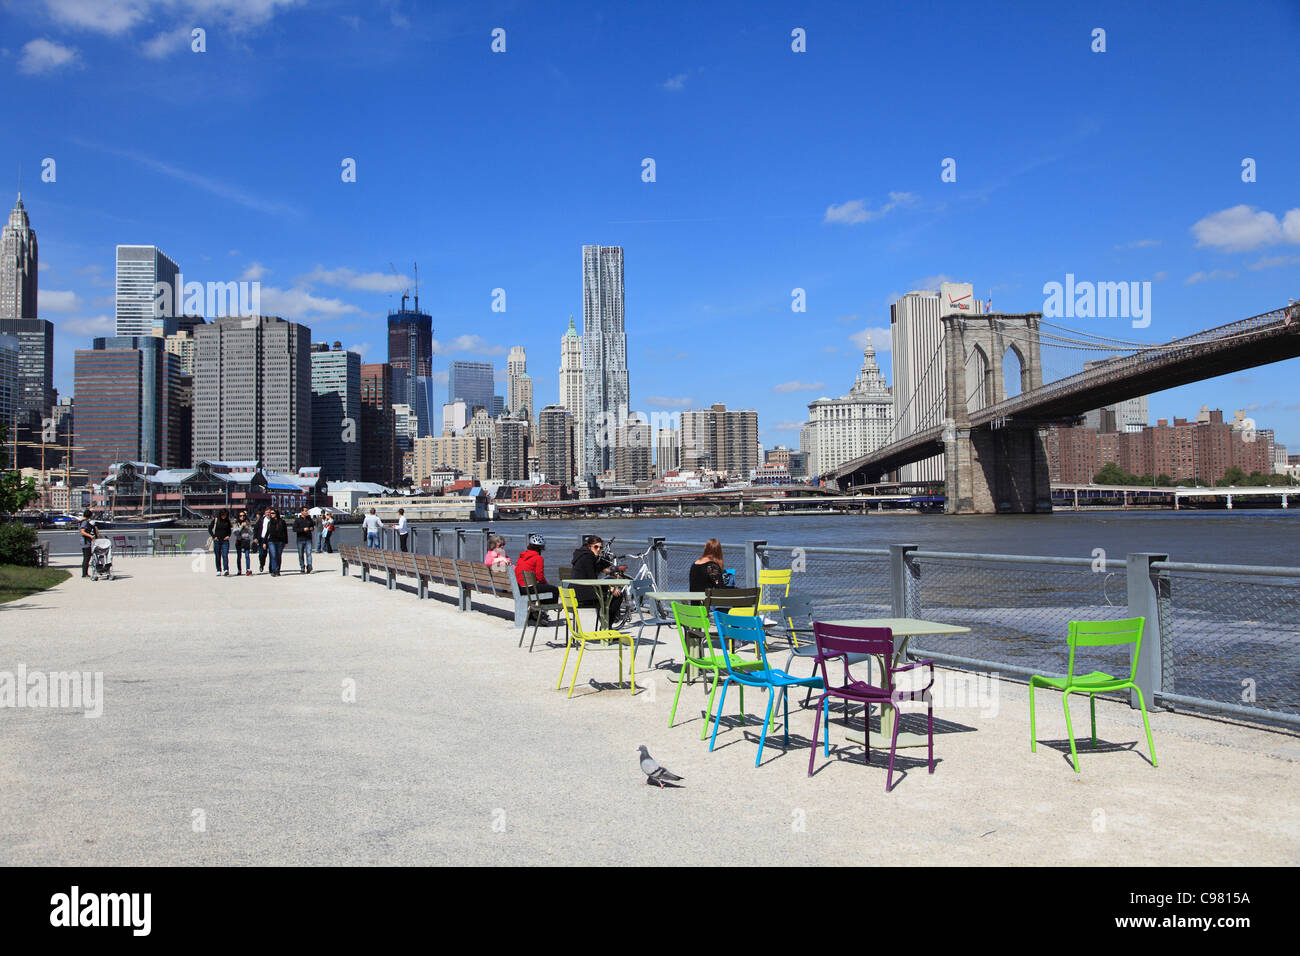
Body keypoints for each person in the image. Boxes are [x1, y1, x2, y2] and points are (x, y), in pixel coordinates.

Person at [570, 535, 625, 625]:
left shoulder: (582, 555)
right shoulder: (588, 557)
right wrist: (610, 588)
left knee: (608, 596)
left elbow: (592, 571)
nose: (598, 549)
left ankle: (605, 625)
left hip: (574, 593)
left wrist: (603, 562)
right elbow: (593, 580)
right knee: (617, 596)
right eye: (596, 547)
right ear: (589, 546)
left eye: (601, 547)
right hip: (581, 595)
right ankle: (607, 627)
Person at [514, 534, 556, 623]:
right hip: (527, 588)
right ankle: (543, 612)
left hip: (518, 587)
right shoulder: (538, 558)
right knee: (554, 590)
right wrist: (546, 584)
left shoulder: (521, 556)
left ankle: (533, 612)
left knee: (539, 587)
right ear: (541, 548)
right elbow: (540, 577)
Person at [265, 508, 288, 576]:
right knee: (273, 555)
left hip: (280, 541)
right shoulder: (270, 522)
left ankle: (278, 570)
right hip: (271, 541)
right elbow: (267, 533)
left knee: (278, 556)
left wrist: (286, 541)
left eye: (273, 513)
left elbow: (285, 532)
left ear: (276, 514)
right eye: (271, 513)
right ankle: (274, 570)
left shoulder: (282, 522)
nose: (271, 514)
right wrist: (264, 542)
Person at [209, 508, 232, 576]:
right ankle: (218, 570)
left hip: (225, 541)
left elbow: (229, 530)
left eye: (225, 515)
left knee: (225, 555)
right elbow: (210, 528)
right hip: (217, 540)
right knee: (218, 556)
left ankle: (226, 570)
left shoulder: (227, 521)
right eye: (223, 515)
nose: (224, 516)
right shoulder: (216, 520)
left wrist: (228, 536)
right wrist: (214, 537)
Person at [293, 506, 315, 573]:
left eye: (307, 511)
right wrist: (303, 529)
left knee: (309, 553)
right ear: (302, 512)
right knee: (300, 554)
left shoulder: (309, 519)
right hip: (300, 539)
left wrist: (311, 528)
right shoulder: (297, 520)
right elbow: (294, 529)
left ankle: (309, 566)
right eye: (305, 511)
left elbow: (312, 526)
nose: (306, 512)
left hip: (308, 539)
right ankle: (302, 567)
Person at [233, 511, 254, 576]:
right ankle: (239, 570)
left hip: (246, 540)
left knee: (247, 555)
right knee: (239, 556)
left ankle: (248, 569)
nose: (242, 517)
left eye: (243, 516)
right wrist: (241, 526)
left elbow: (251, 532)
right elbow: (235, 533)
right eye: (240, 516)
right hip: (239, 541)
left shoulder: (247, 523)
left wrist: (247, 527)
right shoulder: (236, 523)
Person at [78, 509, 98, 578]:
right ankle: (84, 574)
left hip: (84, 542)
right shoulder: (85, 522)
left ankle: (85, 573)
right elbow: (82, 531)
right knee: (87, 558)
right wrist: (91, 536)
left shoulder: (81, 521)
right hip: (86, 542)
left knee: (86, 557)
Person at [254, 508, 272, 573]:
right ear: (265, 513)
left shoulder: (273, 520)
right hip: (262, 539)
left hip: (271, 539)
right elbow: (255, 529)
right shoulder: (261, 520)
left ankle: (271, 568)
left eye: (269, 512)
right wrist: (255, 537)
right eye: (267, 512)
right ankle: (262, 564)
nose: (268, 514)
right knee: (262, 554)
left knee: (272, 554)